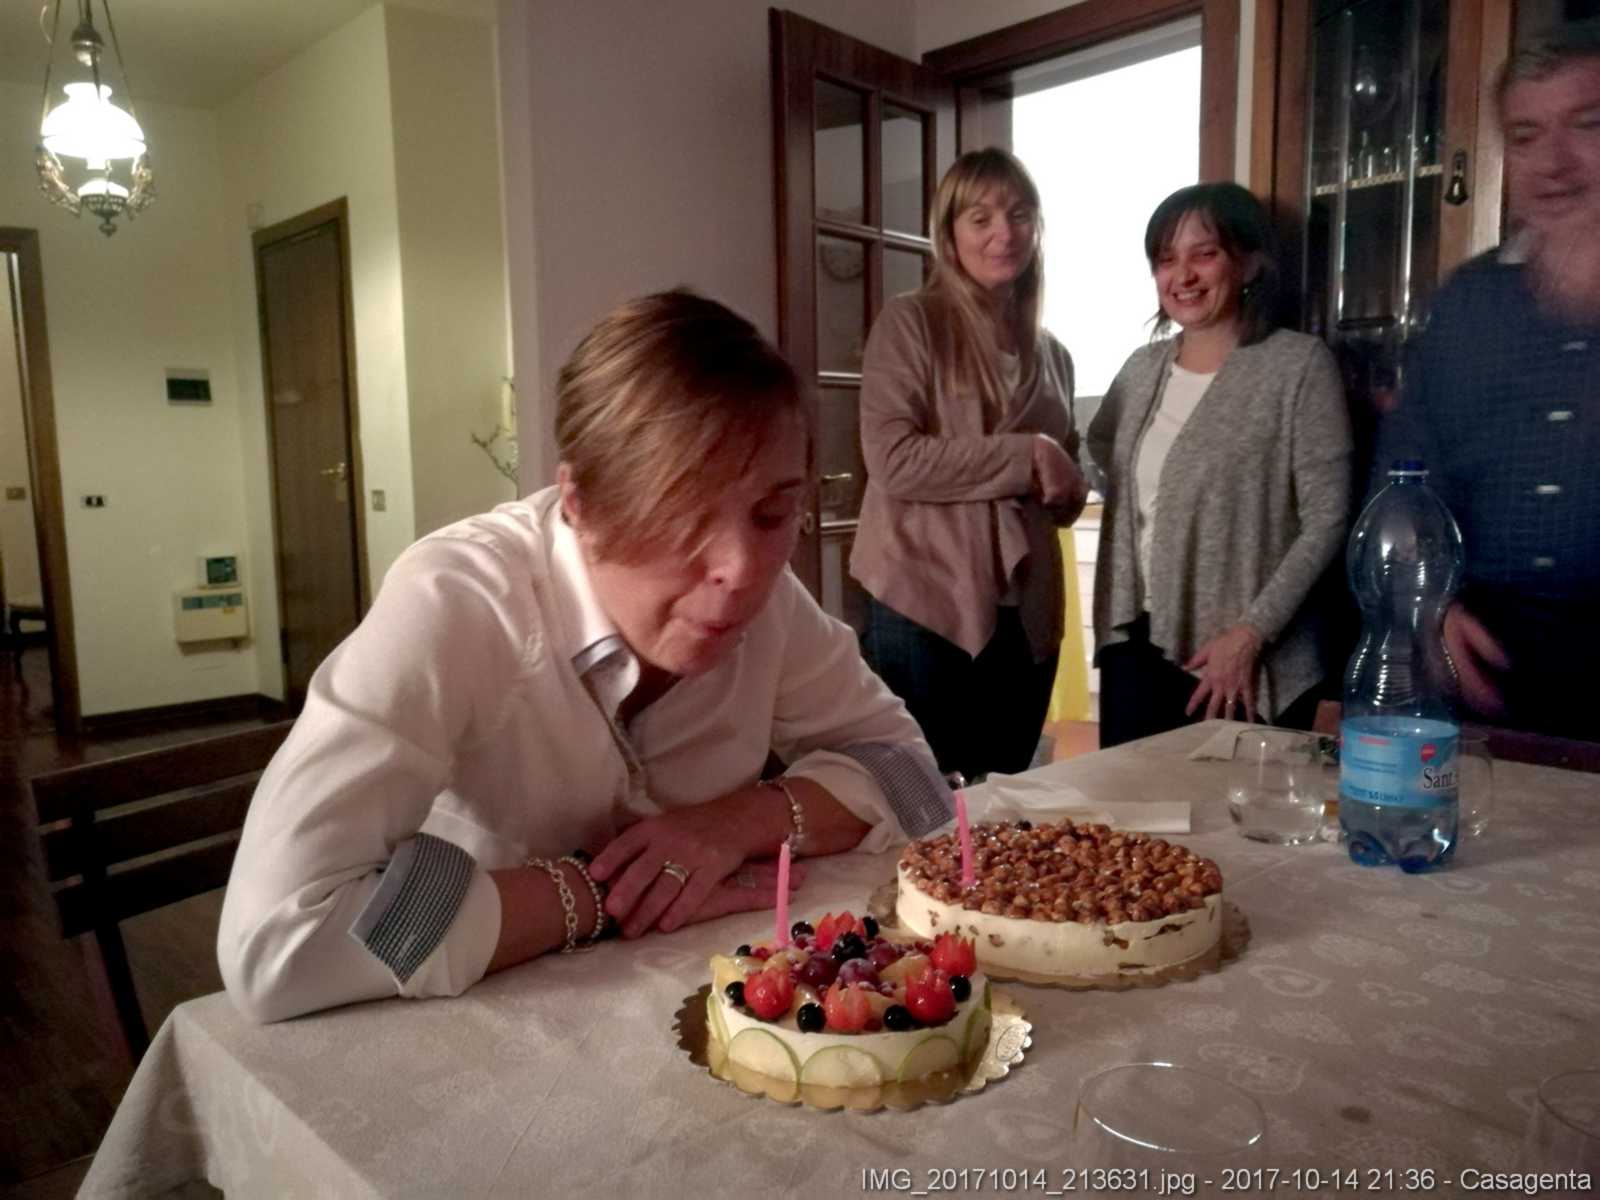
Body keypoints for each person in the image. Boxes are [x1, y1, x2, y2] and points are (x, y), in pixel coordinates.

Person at [218, 290, 950, 1023]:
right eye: (683, 513)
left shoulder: (774, 602)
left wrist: (731, 823)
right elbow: (276, 942)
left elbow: (915, 779)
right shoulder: (458, 600)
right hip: (475, 1029)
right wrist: (598, 892)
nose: (740, 569)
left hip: (703, 1007)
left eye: (772, 513)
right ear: (577, 501)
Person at [1373, 20, 1600, 741]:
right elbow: (1403, 482)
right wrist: (1425, 603)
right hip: (1487, 664)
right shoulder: (1468, 302)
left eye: (1588, 125)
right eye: (1527, 136)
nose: (1554, 163)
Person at [850, 148, 1087, 784]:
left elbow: (1065, 478)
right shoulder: (911, 323)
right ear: (949, 233)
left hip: (1027, 608)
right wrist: (1029, 454)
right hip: (923, 598)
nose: (1003, 233)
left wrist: (1068, 484)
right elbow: (893, 460)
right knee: (928, 796)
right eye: (980, 218)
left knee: (1007, 793)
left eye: (1019, 215)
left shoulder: (1055, 356)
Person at [1088, 182, 1352, 748]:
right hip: (1136, 643)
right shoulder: (1140, 369)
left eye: (1203, 254)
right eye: (1166, 259)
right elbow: (1104, 460)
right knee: (1126, 804)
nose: (1182, 275)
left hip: (1237, 657)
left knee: (1229, 806)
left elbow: (1328, 519)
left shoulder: (1298, 367)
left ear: (1249, 262)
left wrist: (1252, 633)